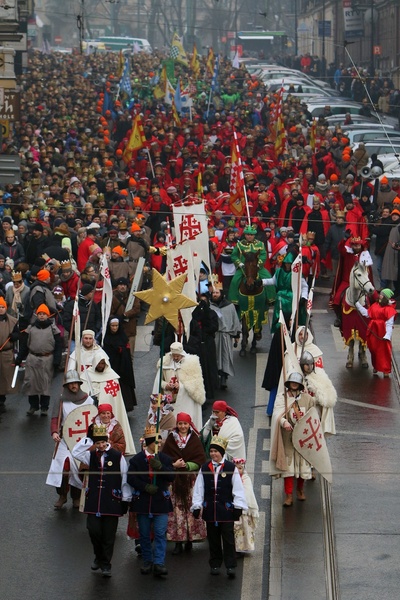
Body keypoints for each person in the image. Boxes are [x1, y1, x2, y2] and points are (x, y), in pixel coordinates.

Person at [71, 423, 131, 577]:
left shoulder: (118, 456)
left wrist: (125, 499)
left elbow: (124, 477)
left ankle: (106, 564)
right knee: (93, 530)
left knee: (108, 535)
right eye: (97, 443)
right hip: (94, 500)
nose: (101, 445)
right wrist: (89, 439)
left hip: (111, 500)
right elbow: (75, 451)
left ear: (107, 440)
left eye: (103, 442)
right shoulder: (90, 455)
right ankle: (98, 556)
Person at [191, 435, 248, 578]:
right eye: (211, 451)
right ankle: (215, 563)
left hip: (226, 511)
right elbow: (199, 488)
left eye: (216, 451)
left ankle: (230, 565)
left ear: (222, 452)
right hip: (211, 511)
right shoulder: (205, 468)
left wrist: (238, 506)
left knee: (228, 539)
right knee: (213, 539)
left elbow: (238, 488)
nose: (213, 454)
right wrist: (197, 505)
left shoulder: (230, 468)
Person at [127, 425, 176, 578]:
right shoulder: (136, 460)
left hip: (160, 502)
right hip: (143, 502)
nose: (159, 445)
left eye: (160, 442)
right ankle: (147, 561)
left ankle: (159, 562)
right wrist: (145, 486)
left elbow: (171, 476)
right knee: (145, 534)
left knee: (161, 533)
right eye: (156, 442)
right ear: (148, 443)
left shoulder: (165, 459)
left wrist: (161, 467)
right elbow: (131, 478)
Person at [46, 370, 95, 509]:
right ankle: (62, 496)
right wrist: (54, 432)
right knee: (63, 468)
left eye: (75, 383)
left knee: (78, 469)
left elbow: (93, 420)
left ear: (79, 384)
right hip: (65, 440)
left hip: (82, 442)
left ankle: (76, 497)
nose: (73, 385)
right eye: (70, 383)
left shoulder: (89, 400)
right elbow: (55, 418)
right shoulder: (62, 400)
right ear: (67, 385)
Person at [162, 412, 207, 555]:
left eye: (185, 424)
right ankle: (177, 541)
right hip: (175, 481)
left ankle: (189, 539)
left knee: (190, 509)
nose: (182, 426)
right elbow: (165, 456)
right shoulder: (171, 439)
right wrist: (174, 464)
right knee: (176, 511)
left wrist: (187, 465)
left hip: (190, 480)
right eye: (180, 424)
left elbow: (200, 459)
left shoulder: (194, 439)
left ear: (189, 424)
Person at [269, 372, 315, 507]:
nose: (294, 384)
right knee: (288, 467)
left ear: (300, 385)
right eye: (292, 382)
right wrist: (284, 422)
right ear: (288, 384)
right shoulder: (282, 398)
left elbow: (313, 416)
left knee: (302, 466)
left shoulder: (308, 399)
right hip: (287, 437)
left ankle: (300, 490)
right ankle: (288, 495)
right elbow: (277, 414)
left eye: (296, 383)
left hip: (303, 438)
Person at [80, 350, 136, 455]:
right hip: (94, 409)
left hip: (108, 411)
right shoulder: (86, 376)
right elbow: (84, 393)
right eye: (99, 363)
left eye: (102, 363)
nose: (101, 365)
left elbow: (115, 397)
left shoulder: (112, 377)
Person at [16, 303, 62, 416]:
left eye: (44, 314)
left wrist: (57, 360)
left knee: (45, 384)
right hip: (32, 358)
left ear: (48, 315)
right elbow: (24, 345)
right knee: (31, 383)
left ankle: (44, 407)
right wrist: (19, 358)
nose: (41, 316)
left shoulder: (53, 329)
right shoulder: (30, 328)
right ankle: (33, 406)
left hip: (47, 359)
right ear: (37, 315)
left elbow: (58, 346)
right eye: (40, 314)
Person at [152, 341, 206, 431]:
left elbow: (194, 383)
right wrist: (166, 386)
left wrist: (180, 386)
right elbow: (158, 381)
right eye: (174, 355)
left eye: (178, 356)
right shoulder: (164, 363)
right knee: (171, 427)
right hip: (170, 401)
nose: (176, 358)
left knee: (185, 424)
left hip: (186, 400)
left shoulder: (192, 363)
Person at [228, 224, 274, 305]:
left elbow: (263, 254)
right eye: (248, 235)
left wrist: (259, 264)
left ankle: (271, 298)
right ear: (245, 235)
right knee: (234, 281)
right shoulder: (240, 244)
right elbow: (234, 255)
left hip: (257, 267)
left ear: (254, 235)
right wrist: (239, 263)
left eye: (251, 235)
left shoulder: (260, 244)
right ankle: (234, 300)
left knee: (268, 277)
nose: (249, 236)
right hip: (243, 268)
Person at [356, 289, 397, 377]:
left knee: (383, 351)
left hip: (382, 331)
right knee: (373, 349)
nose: (380, 296)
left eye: (382, 295)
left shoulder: (389, 309)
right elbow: (367, 313)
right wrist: (358, 305)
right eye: (380, 294)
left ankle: (385, 369)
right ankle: (376, 366)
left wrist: (387, 335)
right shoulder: (375, 305)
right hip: (373, 331)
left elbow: (390, 324)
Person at [209, 284, 241, 390]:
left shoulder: (229, 306)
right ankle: (216, 376)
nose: (215, 294)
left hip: (226, 336)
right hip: (214, 335)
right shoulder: (209, 306)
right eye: (213, 293)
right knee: (215, 357)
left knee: (225, 356)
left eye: (217, 292)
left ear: (221, 294)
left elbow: (235, 320)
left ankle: (224, 377)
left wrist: (237, 334)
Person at [102, 317, 137, 412]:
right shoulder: (106, 338)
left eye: (116, 326)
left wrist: (122, 351)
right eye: (112, 326)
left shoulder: (123, 337)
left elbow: (127, 351)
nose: (114, 328)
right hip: (113, 367)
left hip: (123, 367)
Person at [299, 351, 336, 436]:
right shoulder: (298, 377)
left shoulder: (319, 375)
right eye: (307, 365)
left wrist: (314, 400)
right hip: (303, 412)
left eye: (311, 364)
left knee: (317, 437)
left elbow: (328, 396)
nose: (309, 367)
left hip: (316, 411)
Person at [232, 458, 259, 554]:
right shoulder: (231, 478)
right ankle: (233, 548)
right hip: (233, 509)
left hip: (244, 511)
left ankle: (242, 547)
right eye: (236, 468)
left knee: (244, 529)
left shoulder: (246, 479)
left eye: (240, 468)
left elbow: (248, 492)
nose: (238, 470)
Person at [0, 296, 19, 413]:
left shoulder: (12, 321)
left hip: (6, 353)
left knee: (4, 377)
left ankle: (2, 399)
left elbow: (18, 334)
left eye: (2, 307)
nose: (0, 309)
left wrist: (14, 336)